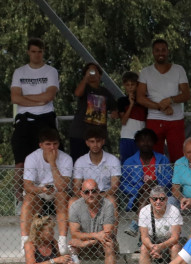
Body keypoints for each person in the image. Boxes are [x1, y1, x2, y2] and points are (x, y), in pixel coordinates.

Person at [137, 38, 191, 162]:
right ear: (153, 53)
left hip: (176, 119)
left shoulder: (178, 69)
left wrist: (170, 100)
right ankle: (155, 181)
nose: (160, 53)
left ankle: (179, 181)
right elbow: (140, 97)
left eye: (163, 50)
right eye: (157, 50)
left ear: (168, 52)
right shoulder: (146, 72)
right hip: (154, 118)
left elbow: (187, 94)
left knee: (179, 155)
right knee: (154, 155)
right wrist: (161, 106)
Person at [10, 38, 59, 170]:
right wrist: (40, 100)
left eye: (39, 52)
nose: (36, 55)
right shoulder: (19, 72)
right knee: (20, 163)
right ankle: (18, 191)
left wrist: (25, 97)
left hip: (45, 118)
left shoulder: (51, 71)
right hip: (24, 120)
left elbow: (49, 96)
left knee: (50, 157)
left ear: (43, 52)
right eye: (33, 51)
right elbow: (15, 98)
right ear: (28, 52)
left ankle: (53, 189)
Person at [20, 128, 72, 251]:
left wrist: (52, 163)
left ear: (58, 144)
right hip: (39, 192)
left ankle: (62, 240)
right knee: (28, 199)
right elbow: (27, 186)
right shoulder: (32, 158)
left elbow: (62, 187)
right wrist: (41, 189)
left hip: (58, 193)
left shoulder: (66, 159)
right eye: (48, 144)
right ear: (41, 145)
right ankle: (24, 241)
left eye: (55, 144)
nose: (52, 148)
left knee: (62, 195)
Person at [68, 179, 118, 264]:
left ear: (98, 191)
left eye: (93, 191)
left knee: (109, 243)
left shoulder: (107, 205)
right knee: (72, 245)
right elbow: (74, 233)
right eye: (87, 192)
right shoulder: (75, 206)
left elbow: (107, 233)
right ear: (81, 193)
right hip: (87, 243)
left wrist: (88, 242)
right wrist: (95, 236)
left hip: (101, 243)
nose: (90, 194)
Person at [136, 186, 184, 264]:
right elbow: (144, 237)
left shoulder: (173, 210)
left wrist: (160, 247)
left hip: (169, 242)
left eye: (162, 199)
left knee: (176, 247)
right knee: (143, 248)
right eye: (155, 199)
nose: (158, 202)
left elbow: (175, 237)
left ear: (166, 199)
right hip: (152, 242)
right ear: (150, 200)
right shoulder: (144, 211)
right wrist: (153, 247)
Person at [120, 127, 173, 223]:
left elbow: (169, 180)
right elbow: (124, 185)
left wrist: (157, 183)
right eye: (142, 141)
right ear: (137, 143)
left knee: (150, 193)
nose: (145, 143)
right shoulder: (129, 162)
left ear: (154, 142)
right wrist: (139, 189)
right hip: (137, 197)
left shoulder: (162, 160)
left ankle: (136, 224)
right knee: (146, 194)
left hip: (161, 195)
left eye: (149, 140)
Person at [69, 63, 116, 162]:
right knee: (78, 162)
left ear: (100, 74)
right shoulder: (84, 88)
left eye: (94, 71)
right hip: (79, 133)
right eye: (89, 71)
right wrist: (86, 78)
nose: (92, 73)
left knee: (97, 163)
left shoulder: (105, 92)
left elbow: (114, 108)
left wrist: (115, 112)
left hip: (98, 135)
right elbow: (77, 93)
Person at [72, 126, 121, 214]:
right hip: (86, 195)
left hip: (106, 195)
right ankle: (74, 228)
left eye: (98, 141)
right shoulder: (80, 161)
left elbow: (114, 187)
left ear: (103, 141)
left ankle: (112, 228)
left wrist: (98, 196)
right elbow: (76, 188)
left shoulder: (113, 160)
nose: (95, 145)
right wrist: (88, 197)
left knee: (112, 200)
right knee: (72, 201)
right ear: (87, 143)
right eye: (92, 141)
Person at [117, 71, 147, 162]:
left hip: (141, 138)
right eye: (127, 85)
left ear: (137, 85)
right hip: (126, 137)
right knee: (126, 164)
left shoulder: (144, 101)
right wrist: (131, 105)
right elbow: (123, 121)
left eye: (132, 84)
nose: (130, 87)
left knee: (141, 163)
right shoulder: (122, 101)